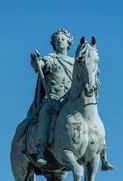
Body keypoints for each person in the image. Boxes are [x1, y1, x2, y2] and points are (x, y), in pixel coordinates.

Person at [26, 28, 115, 170]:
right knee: (46, 112)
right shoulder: (51, 58)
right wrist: (35, 61)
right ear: (54, 44)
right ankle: (41, 149)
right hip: (54, 99)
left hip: (71, 98)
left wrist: (94, 80)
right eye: (57, 39)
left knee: (92, 114)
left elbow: (89, 71)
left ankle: (102, 152)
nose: (60, 40)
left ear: (69, 42)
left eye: (63, 38)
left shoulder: (77, 61)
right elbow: (39, 65)